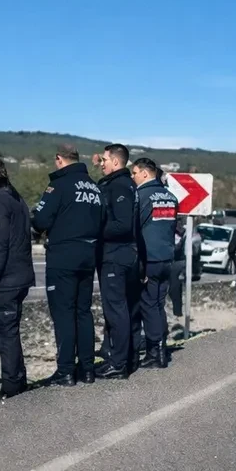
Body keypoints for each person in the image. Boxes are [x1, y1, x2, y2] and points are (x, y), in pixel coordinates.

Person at [31, 145, 102, 386]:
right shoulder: (94, 186)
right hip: (89, 255)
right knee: (83, 312)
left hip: (63, 256)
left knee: (63, 314)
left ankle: (66, 371)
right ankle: (88, 368)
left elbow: (40, 219)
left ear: (59, 159)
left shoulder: (59, 185)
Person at [0, 156, 36, 398]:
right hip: (21, 274)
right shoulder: (15, 197)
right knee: (12, 330)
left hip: (9, 278)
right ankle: (18, 377)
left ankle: (11, 385)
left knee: (6, 332)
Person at [93, 144, 139, 379]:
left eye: (104, 160)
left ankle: (119, 363)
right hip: (122, 255)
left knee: (116, 311)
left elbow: (122, 225)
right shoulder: (118, 183)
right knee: (124, 310)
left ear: (116, 162)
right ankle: (122, 358)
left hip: (116, 256)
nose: (101, 163)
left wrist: (95, 229)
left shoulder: (120, 186)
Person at [131, 158, 178, 369]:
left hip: (149, 258)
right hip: (167, 257)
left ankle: (154, 353)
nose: (132, 177)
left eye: (134, 173)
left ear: (144, 173)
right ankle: (161, 347)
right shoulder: (170, 197)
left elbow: (135, 227)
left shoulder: (141, 196)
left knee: (148, 305)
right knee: (158, 304)